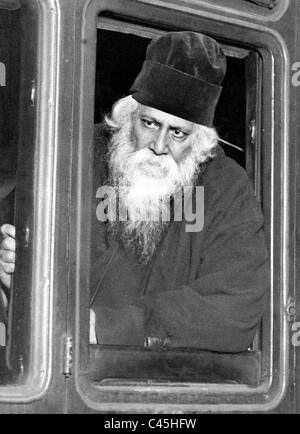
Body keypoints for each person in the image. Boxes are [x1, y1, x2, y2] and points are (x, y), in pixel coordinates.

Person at [0, 32, 269, 352]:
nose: (158, 147)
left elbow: (235, 307)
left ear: (200, 142)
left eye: (178, 133)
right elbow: (19, 263)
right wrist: (11, 276)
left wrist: (106, 328)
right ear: (128, 117)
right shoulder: (74, 154)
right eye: (150, 124)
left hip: (158, 385)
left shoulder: (226, 189)